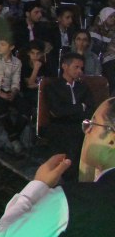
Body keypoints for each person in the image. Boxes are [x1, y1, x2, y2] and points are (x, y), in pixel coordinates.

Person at [42, 53, 92, 182]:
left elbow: (91, 109)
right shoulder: (53, 86)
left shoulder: (83, 88)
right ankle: (66, 177)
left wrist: (70, 109)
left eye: (81, 68)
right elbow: (56, 111)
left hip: (79, 124)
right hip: (59, 125)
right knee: (68, 137)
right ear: (65, 66)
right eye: (76, 67)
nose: (79, 71)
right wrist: (80, 107)